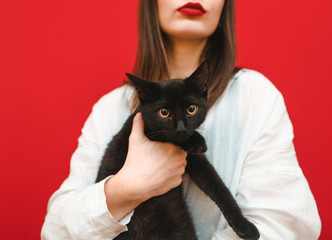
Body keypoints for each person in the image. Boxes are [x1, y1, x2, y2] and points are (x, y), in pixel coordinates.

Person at [41, 0, 321, 239]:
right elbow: (54, 230)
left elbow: (285, 226)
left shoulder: (254, 96)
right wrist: (123, 190)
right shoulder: (109, 108)